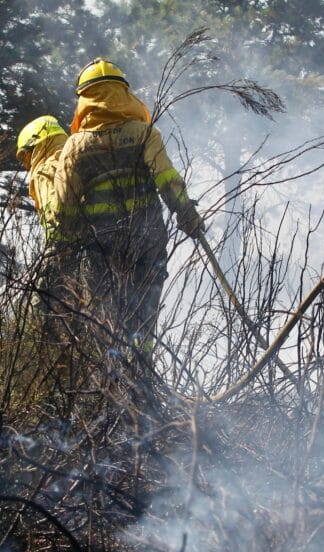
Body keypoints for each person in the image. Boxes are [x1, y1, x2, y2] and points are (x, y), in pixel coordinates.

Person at [50, 58, 204, 359]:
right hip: (148, 242)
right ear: (123, 91)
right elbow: (167, 178)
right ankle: (142, 366)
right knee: (145, 314)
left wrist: (63, 247)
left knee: (106, 317)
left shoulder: (74, 147)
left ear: (84, 100)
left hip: (101, 248)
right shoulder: (144, 133)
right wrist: (187, 214)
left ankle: (112, 372)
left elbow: (65, 206)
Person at [15, 115, 79, 327]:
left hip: (60, 246)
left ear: (39, 144)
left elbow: (55, 212)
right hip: (90, 243)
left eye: (27, 153)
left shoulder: (44, 169)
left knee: (40, 307)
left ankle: (40, 343)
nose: (27, 162)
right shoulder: (75, 158)